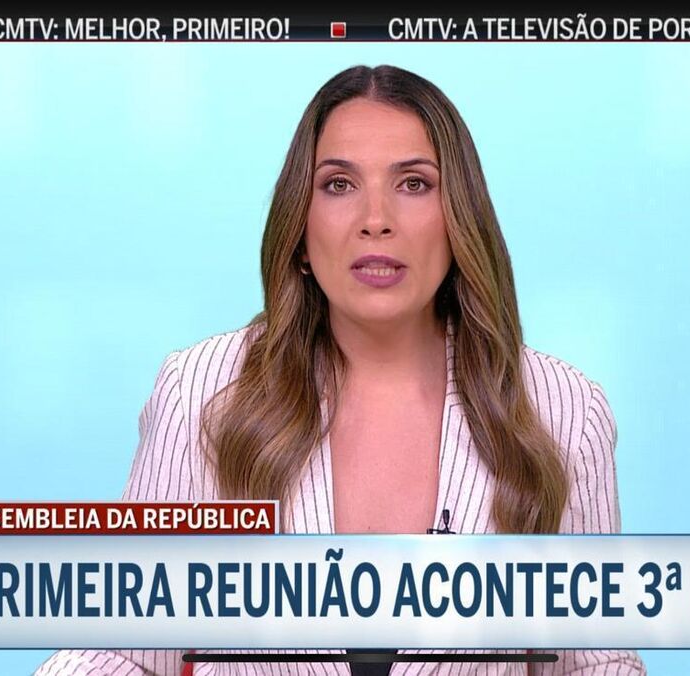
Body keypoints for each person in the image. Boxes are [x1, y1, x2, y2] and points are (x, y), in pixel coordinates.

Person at [37, 64, 645, 676]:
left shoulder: (563, 411)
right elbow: (120, 653)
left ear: (459, 220)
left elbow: (596, 664)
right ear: (300, 233)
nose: (375, 218)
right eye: (338, 185)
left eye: (413, 183)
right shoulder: (202, 392)